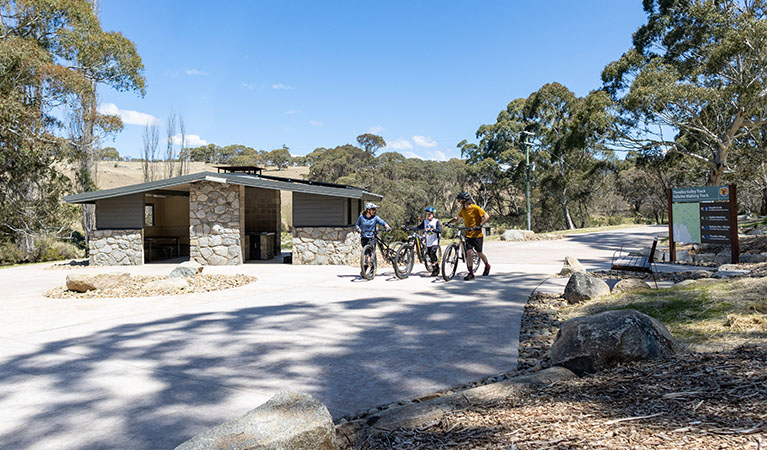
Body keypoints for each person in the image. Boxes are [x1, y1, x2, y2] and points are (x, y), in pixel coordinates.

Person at [447, 192, 491, 280]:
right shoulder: (463, 210)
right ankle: (471, 273)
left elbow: (486, 216)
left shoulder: (475, 208)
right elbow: (457, 218)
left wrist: (480, 225)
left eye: (460, 201)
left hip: (477, 234)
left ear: (464, 201)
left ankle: (487, 265)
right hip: (468, 235)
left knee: (479, 253)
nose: (459, 203)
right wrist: (448, 222)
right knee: (469, 253)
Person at [408, 206, 442, 276]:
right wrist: (410, 228)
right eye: (427, 214)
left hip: (435, 240)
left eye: (429, 214)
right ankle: (435, 267)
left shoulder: (436, 221)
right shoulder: (425, 222)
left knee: (432, 253)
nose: (428, 216)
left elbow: (439, 230)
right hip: (428, 241)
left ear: (433, 215)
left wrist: (433, 230)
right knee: (429, 254)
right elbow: (419, 227)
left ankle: (436, 269)